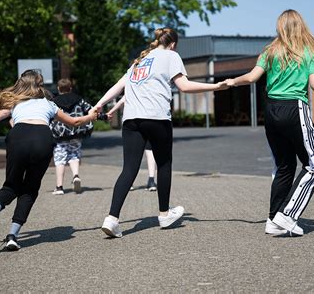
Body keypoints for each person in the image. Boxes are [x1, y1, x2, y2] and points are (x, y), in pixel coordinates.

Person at [95, 27, 228, 238]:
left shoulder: (139, 61)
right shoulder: (171, 56)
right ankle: (164, 214)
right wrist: (214, 87)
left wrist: (98, 105)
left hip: (131, 120)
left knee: (128, 169)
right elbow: (183, 86)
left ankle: (111, 219)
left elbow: (118, 87)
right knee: (164, 164)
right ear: (173, 43)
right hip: (156, 118)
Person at [225, 9, 314, 237]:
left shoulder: (270, 51)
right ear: (301, 26)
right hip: (294, 109)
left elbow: (250, 78)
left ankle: (273, 220)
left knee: (285, 167)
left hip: (271, 112)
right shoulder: (308, 51)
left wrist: (231, 81)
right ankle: (287, 215)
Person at [0, 70, 96, 250]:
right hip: (43, 139)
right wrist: (91, 117)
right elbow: (75, 122)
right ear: (39, 86)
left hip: (18, 137)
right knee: (30, 188)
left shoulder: (15, 102)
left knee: (11, 185)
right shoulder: (48, 103)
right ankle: (12, 236)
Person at [50, 79, 94, 195]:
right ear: (70, 88)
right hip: (76, 132)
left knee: (60, 159)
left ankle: (59, 187)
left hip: (60, 134)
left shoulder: (54, 102)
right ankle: (76, 175)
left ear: (58, 89)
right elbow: (90, 110)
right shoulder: (79, 99)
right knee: (74, 154)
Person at [106, 96, 157, 191]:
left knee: (131, 155)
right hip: (151, 120)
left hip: (133, 124)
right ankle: (151, 181)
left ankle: (129, 183)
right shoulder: (150, 87)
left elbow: (122, 100)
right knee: (150, 152)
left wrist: (111, 112)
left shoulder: (133, 85)